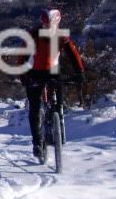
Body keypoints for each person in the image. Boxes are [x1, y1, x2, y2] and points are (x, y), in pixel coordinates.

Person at [21, 8, 85, 160]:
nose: (47, 29)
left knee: (58, 103)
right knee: (35, 107)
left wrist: (80, 72)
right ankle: (37, 143)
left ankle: (57, 124)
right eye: (45, 26)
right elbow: (22, 56)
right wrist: (23, 75)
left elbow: (73, 54)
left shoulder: (62, 36)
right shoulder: (33, 35)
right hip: (34, 72)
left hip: (53, 71)